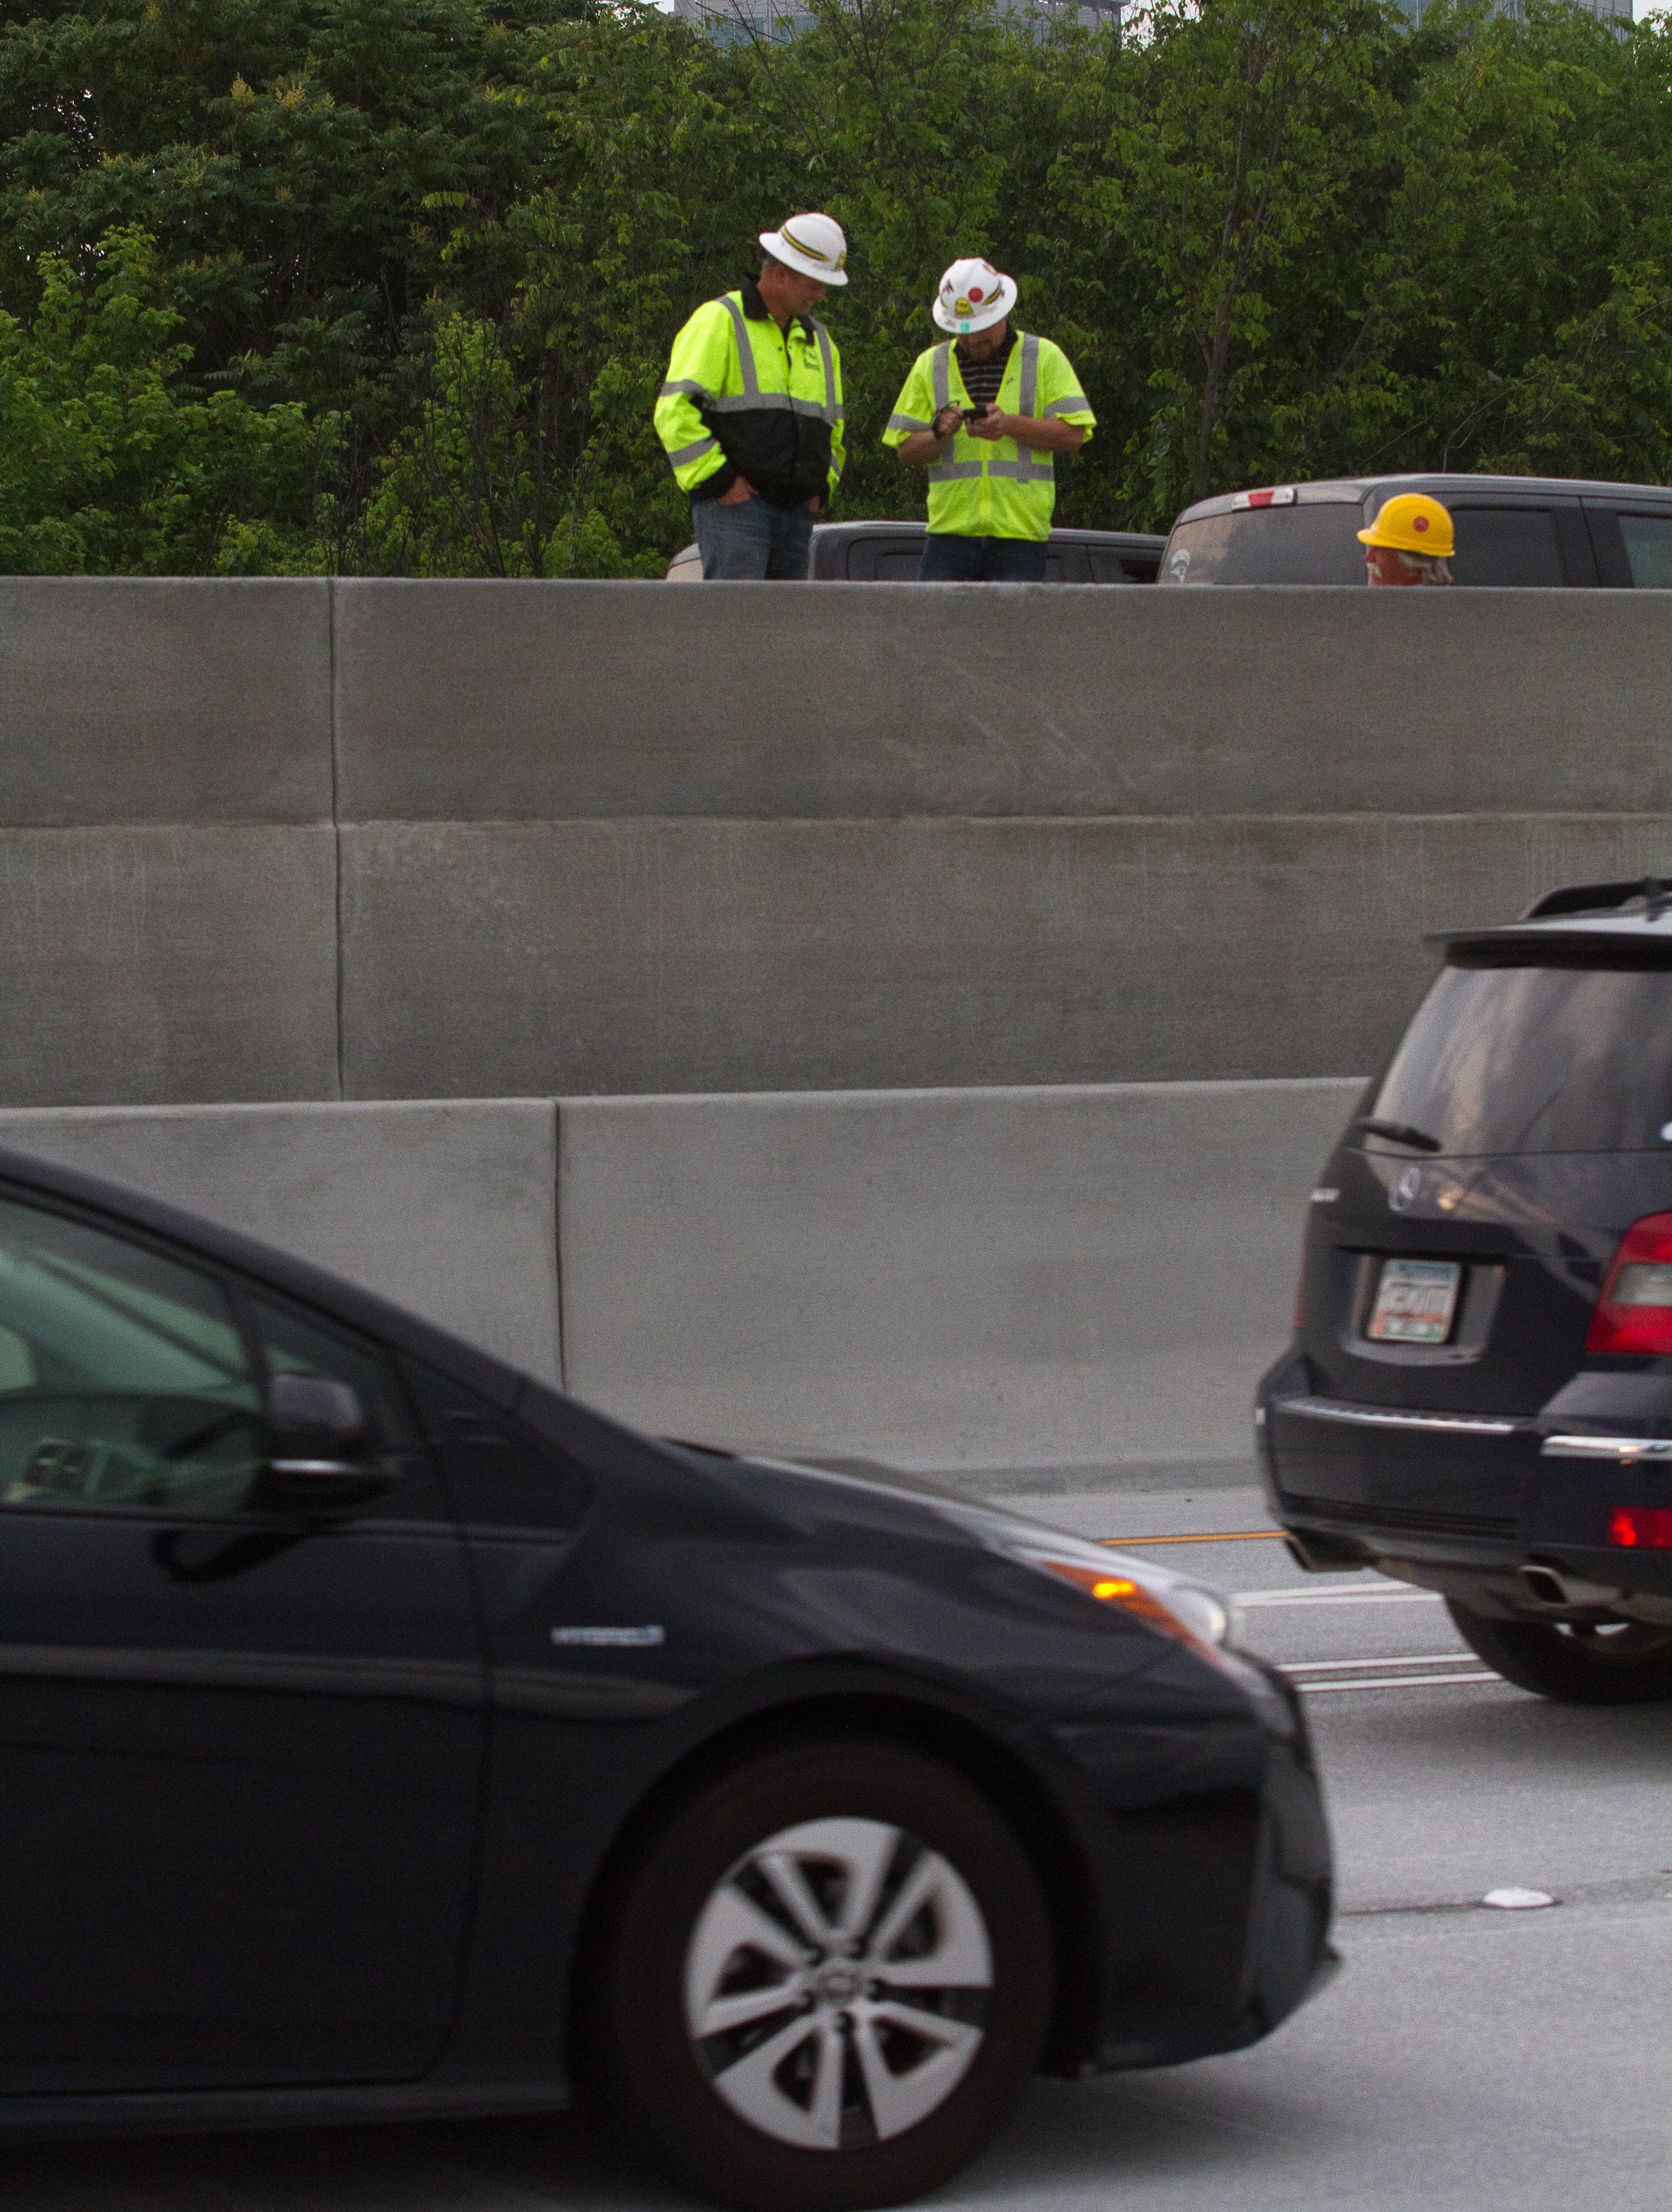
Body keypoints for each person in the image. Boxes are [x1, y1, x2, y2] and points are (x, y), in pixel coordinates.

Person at [655, 215, 848, 580]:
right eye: (814, 284)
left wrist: (821, 489)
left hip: (796, 515)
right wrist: (719, 483)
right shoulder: (721, 320)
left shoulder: (822, 341)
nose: (821, 295)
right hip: (736, 511)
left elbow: (834, 429)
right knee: (738, 629)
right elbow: (674, 412)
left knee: (782, 633)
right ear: (781, 273)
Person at [882, 257, 1095, 582]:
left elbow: (1074, 436)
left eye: (982, 331)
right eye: (963, 334)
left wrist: (1009, 425)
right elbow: (905, 450)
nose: (974, 341)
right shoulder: (931, 365)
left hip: (1020, 539)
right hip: (949, 536)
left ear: (1003, 313)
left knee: (1011, 635)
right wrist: (939, 434)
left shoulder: (1044, 357)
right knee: (934, 632)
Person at [1358, 493, 1454, 585]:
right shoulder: (1443, 600)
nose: (1369, 558)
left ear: (1414, 567)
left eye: (1379, 549)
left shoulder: (1420, 602)